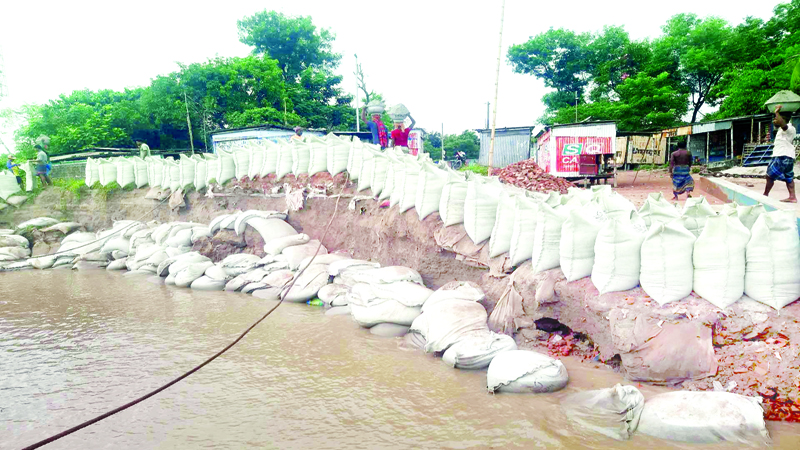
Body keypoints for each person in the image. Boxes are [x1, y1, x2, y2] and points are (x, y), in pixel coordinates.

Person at [764, 105, 797, 203]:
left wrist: (777, 112)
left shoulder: (789, 128)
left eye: (776, 119)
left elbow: (783, 124)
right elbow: (781, 124)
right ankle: (792, 197)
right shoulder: (782, 130)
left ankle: (765, 195)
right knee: (789, 177)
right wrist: (776, 118)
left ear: (783, 119)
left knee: (769, 176)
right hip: (788, 156)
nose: (775, 120)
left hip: (781, 155)